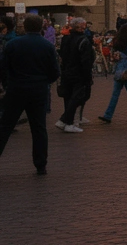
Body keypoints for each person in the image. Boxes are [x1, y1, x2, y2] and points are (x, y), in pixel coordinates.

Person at [0, 15, 60, 173]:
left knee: (5, 126)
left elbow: (3, 67)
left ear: (24, 27)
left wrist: (8, 84)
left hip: (16, 88)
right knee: (39, 128)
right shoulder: (47, 46)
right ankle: (41, 164)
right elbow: (55, 71)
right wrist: (44, 81)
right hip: (38, 90)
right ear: (41, 27)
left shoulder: (13, 44)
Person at [55, 18, 94, 133]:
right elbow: (86, 61)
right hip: (79, 73)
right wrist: (87, 76)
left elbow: (62, 55)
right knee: (78, 97)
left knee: (68, 97)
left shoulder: (65, 39)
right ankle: (67, 121)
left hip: (67, 72)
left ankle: (66, 121)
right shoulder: (83, 41)